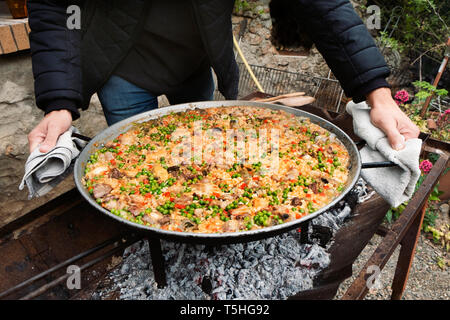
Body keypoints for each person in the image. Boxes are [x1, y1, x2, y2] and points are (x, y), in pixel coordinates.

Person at [27, 0, 419, 154]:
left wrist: (376, 94)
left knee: (204, 152)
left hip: (196, 64)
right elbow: (54, 7)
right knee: (139, 156)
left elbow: (322, 5)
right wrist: (61, 102)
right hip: (122, 70)